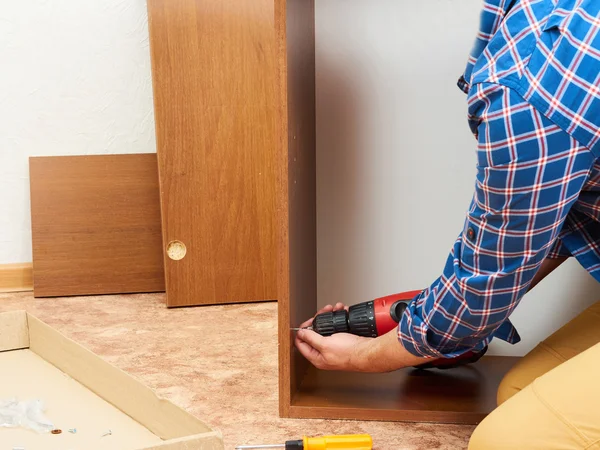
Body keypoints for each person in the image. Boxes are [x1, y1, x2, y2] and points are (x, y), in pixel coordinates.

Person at [294, 0, 600, 447]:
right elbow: (539, 228)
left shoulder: (536, 86)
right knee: (516, 391)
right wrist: (445, 323)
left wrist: (368, 357)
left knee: (508, 441)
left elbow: (493, 271)